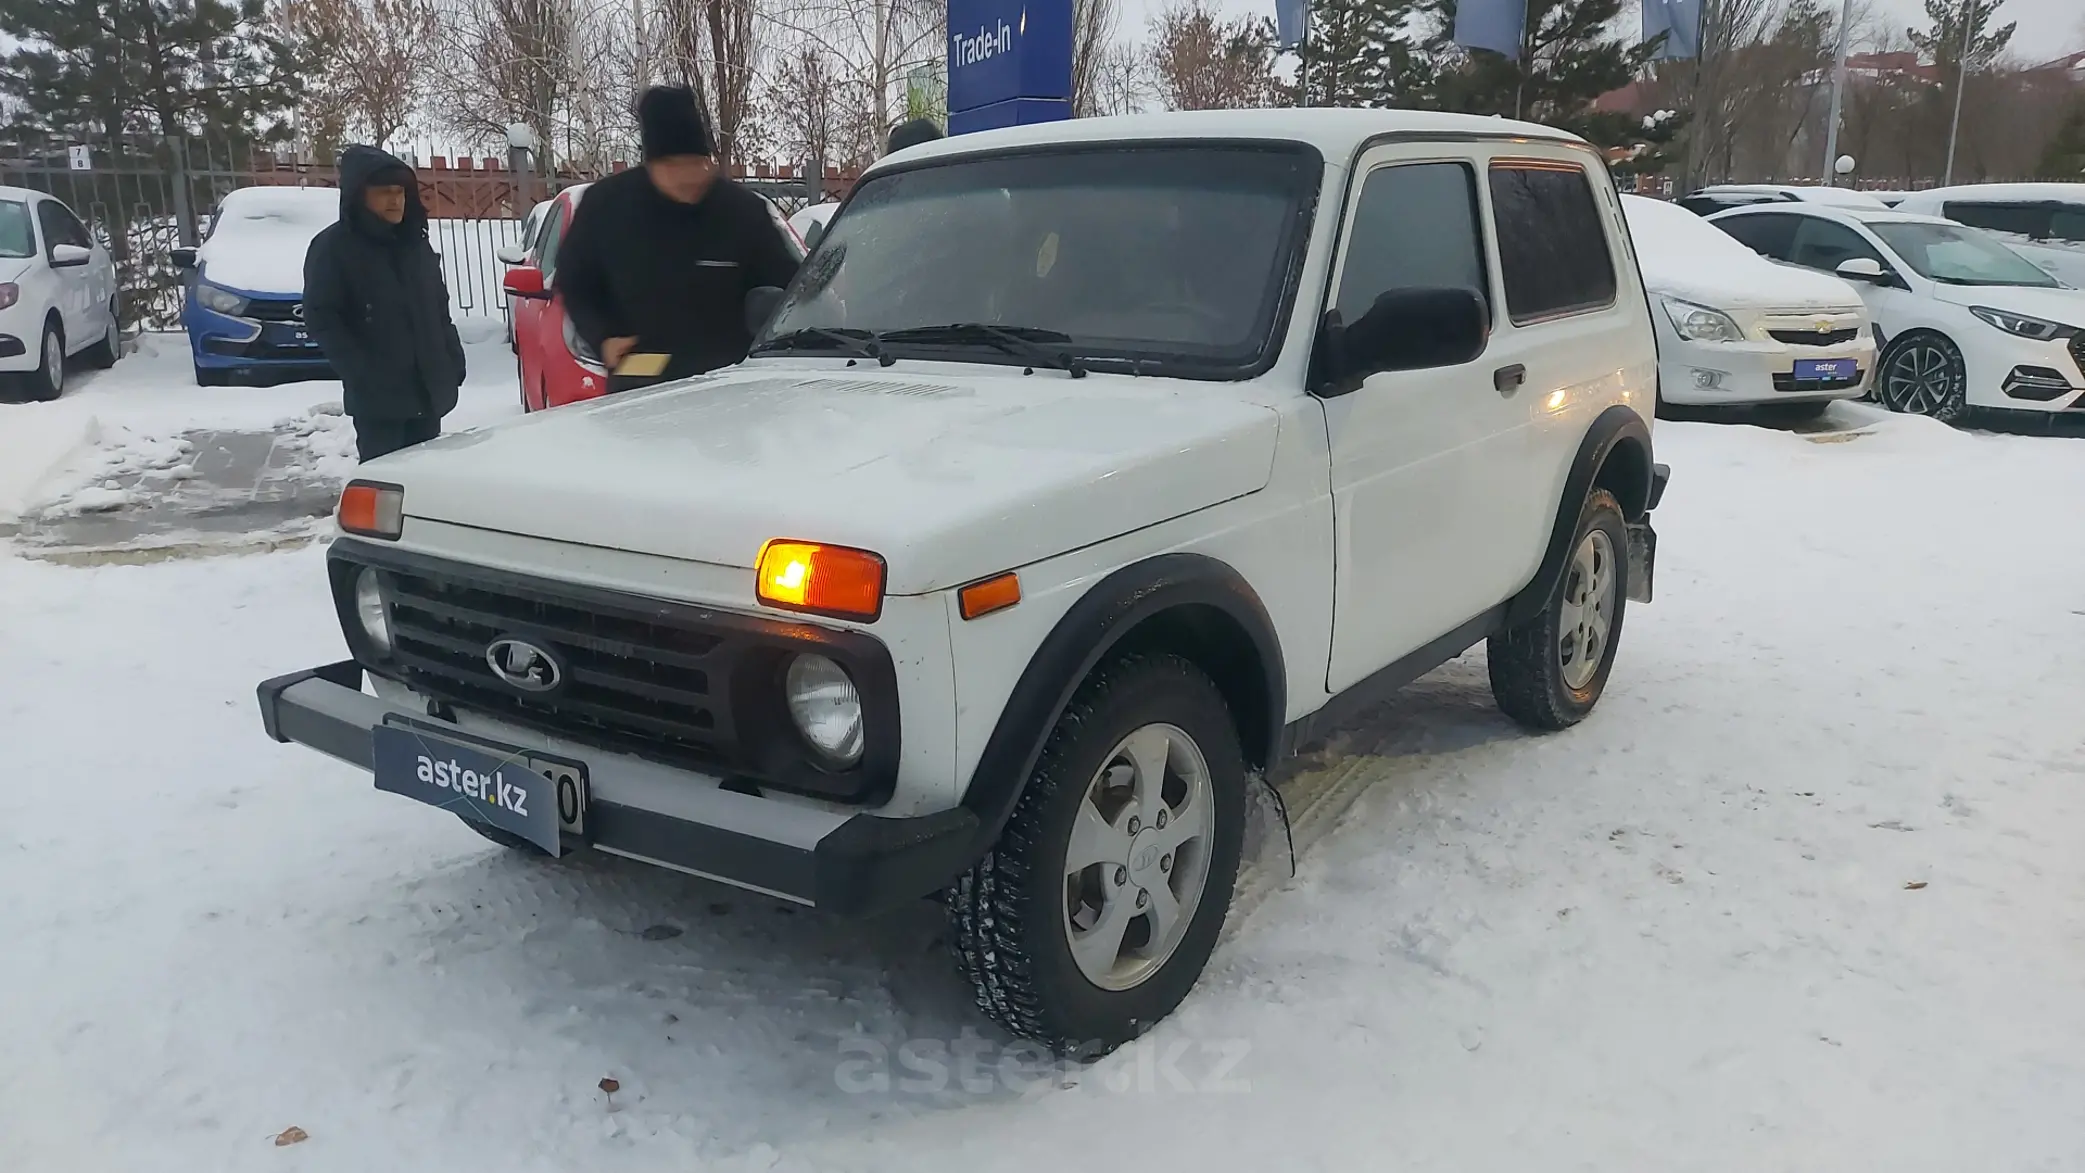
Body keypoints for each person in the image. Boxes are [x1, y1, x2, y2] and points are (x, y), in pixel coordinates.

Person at [554, 85, 802, 393]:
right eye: (674, 167)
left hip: (728, 387)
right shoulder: (606, 207)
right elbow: (574, 280)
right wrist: (602, 336)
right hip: (641, 386)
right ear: (652, 165)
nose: (688, 177)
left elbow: (791, 284)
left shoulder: (741, 212)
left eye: (696, 164)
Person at [303, 145, 466, 462]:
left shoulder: (415, 245)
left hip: (428, 389)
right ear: (360, 196)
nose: (395, 200)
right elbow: (322, 317)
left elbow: (438, 308)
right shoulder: (334, 248)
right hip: (379, 402)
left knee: (426, 483)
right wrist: (361, 370)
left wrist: (451, 357)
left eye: (400, 192)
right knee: (384, 487)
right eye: (384, 192)